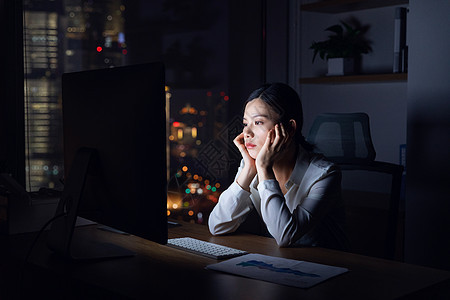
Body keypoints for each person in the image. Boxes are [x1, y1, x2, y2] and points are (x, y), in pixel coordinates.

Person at [208, 83, 348, 250]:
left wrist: (264, 169)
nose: (247, 133)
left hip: (328, 266)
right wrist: (248, 171)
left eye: (258, 122)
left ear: (289, 128)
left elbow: (285, 235)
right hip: (281, 263)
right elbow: (217, 226)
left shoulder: (324, 174)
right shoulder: (252, 165)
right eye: (246, 123)